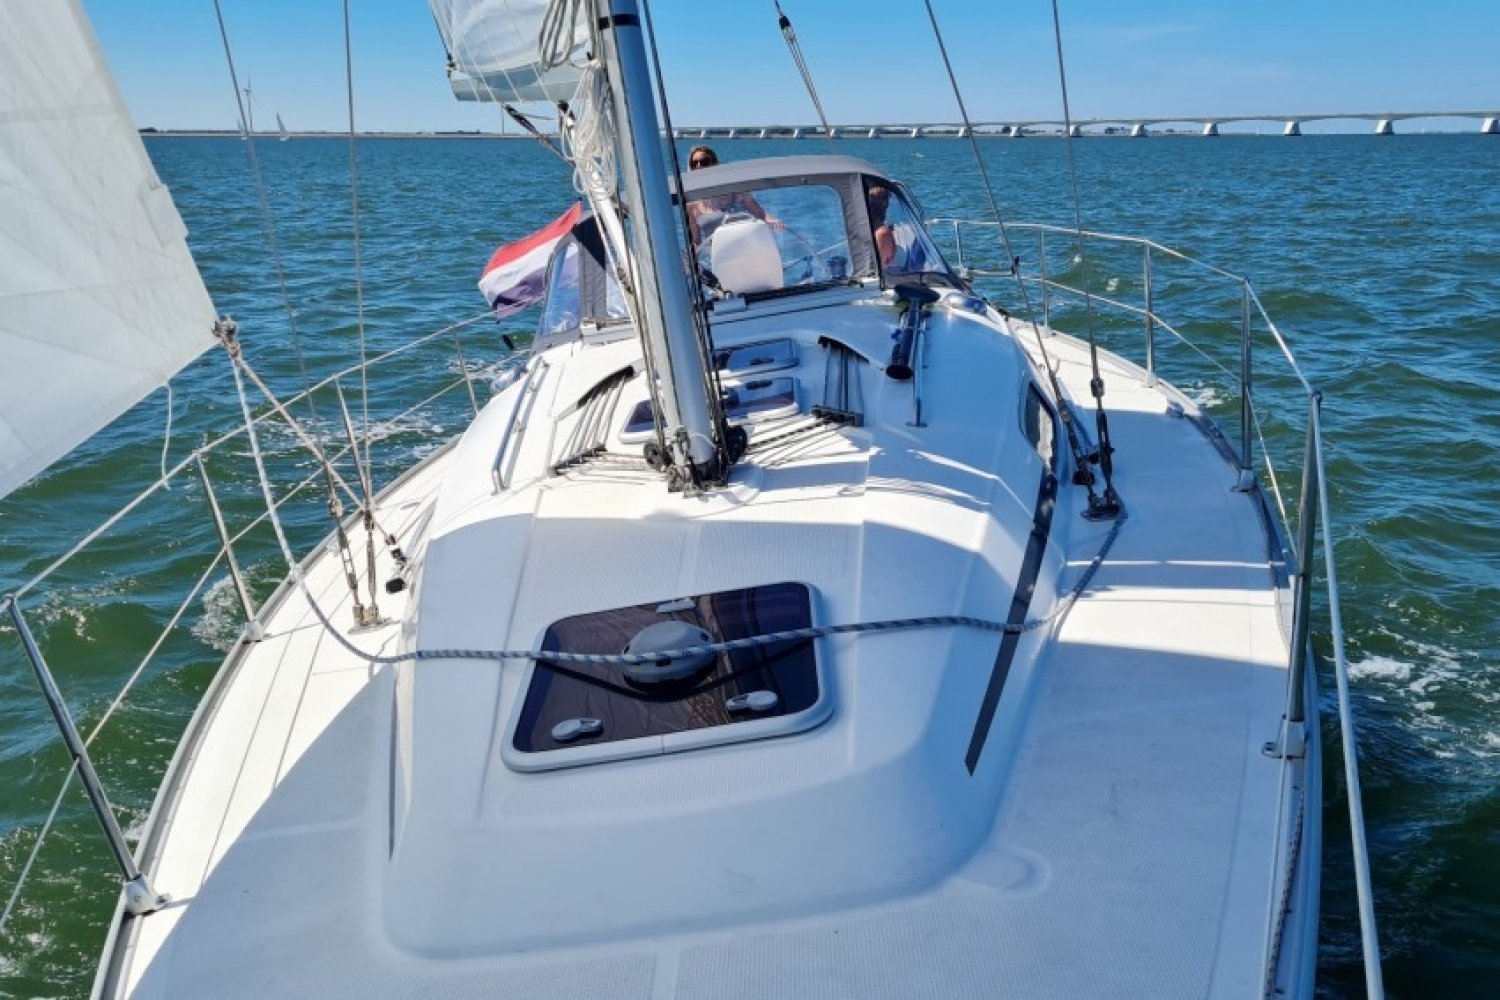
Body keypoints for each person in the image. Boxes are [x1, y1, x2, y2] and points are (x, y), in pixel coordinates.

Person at [685, 145, 781, 243]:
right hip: (718, 251)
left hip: (746, 244)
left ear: (714, 164)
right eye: (694, 163)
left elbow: (760, 214)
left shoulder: (734, 189)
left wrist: (773, 221)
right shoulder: (691, 204)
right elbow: (695, 241)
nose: (699, 166)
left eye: (704, 162)